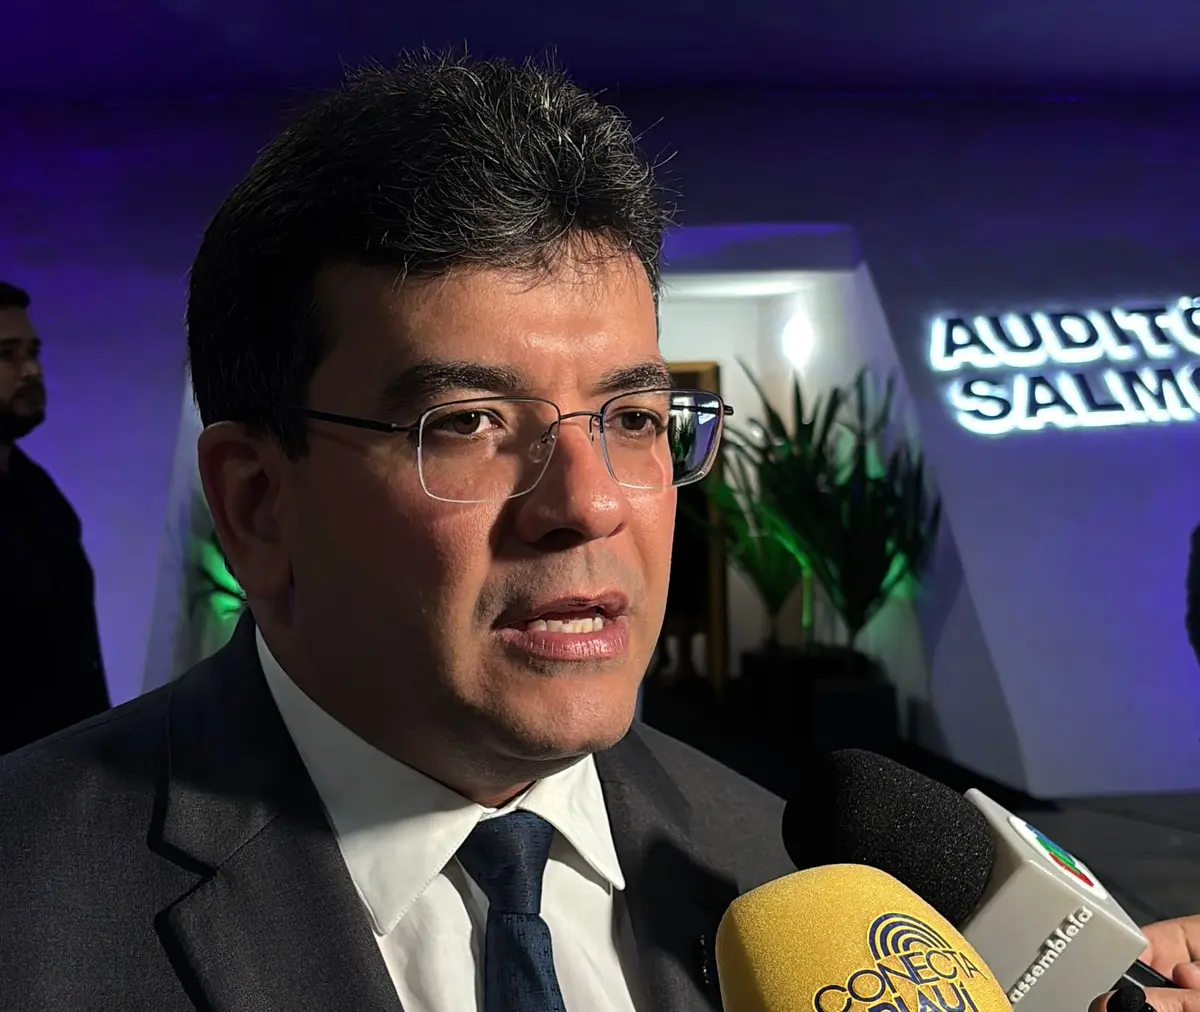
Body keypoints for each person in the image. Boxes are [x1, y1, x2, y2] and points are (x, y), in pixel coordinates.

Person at [0, 54, 792, 1011]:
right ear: (258, 502)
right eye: (468, 424)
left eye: (632, 418)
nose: (590, 505)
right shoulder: (27, 905)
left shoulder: (778, 868)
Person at [0, 280, 109, 755]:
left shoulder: (37, 489)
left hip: (67, 773)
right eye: (7, 354)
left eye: (34, 351)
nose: (32, 370)